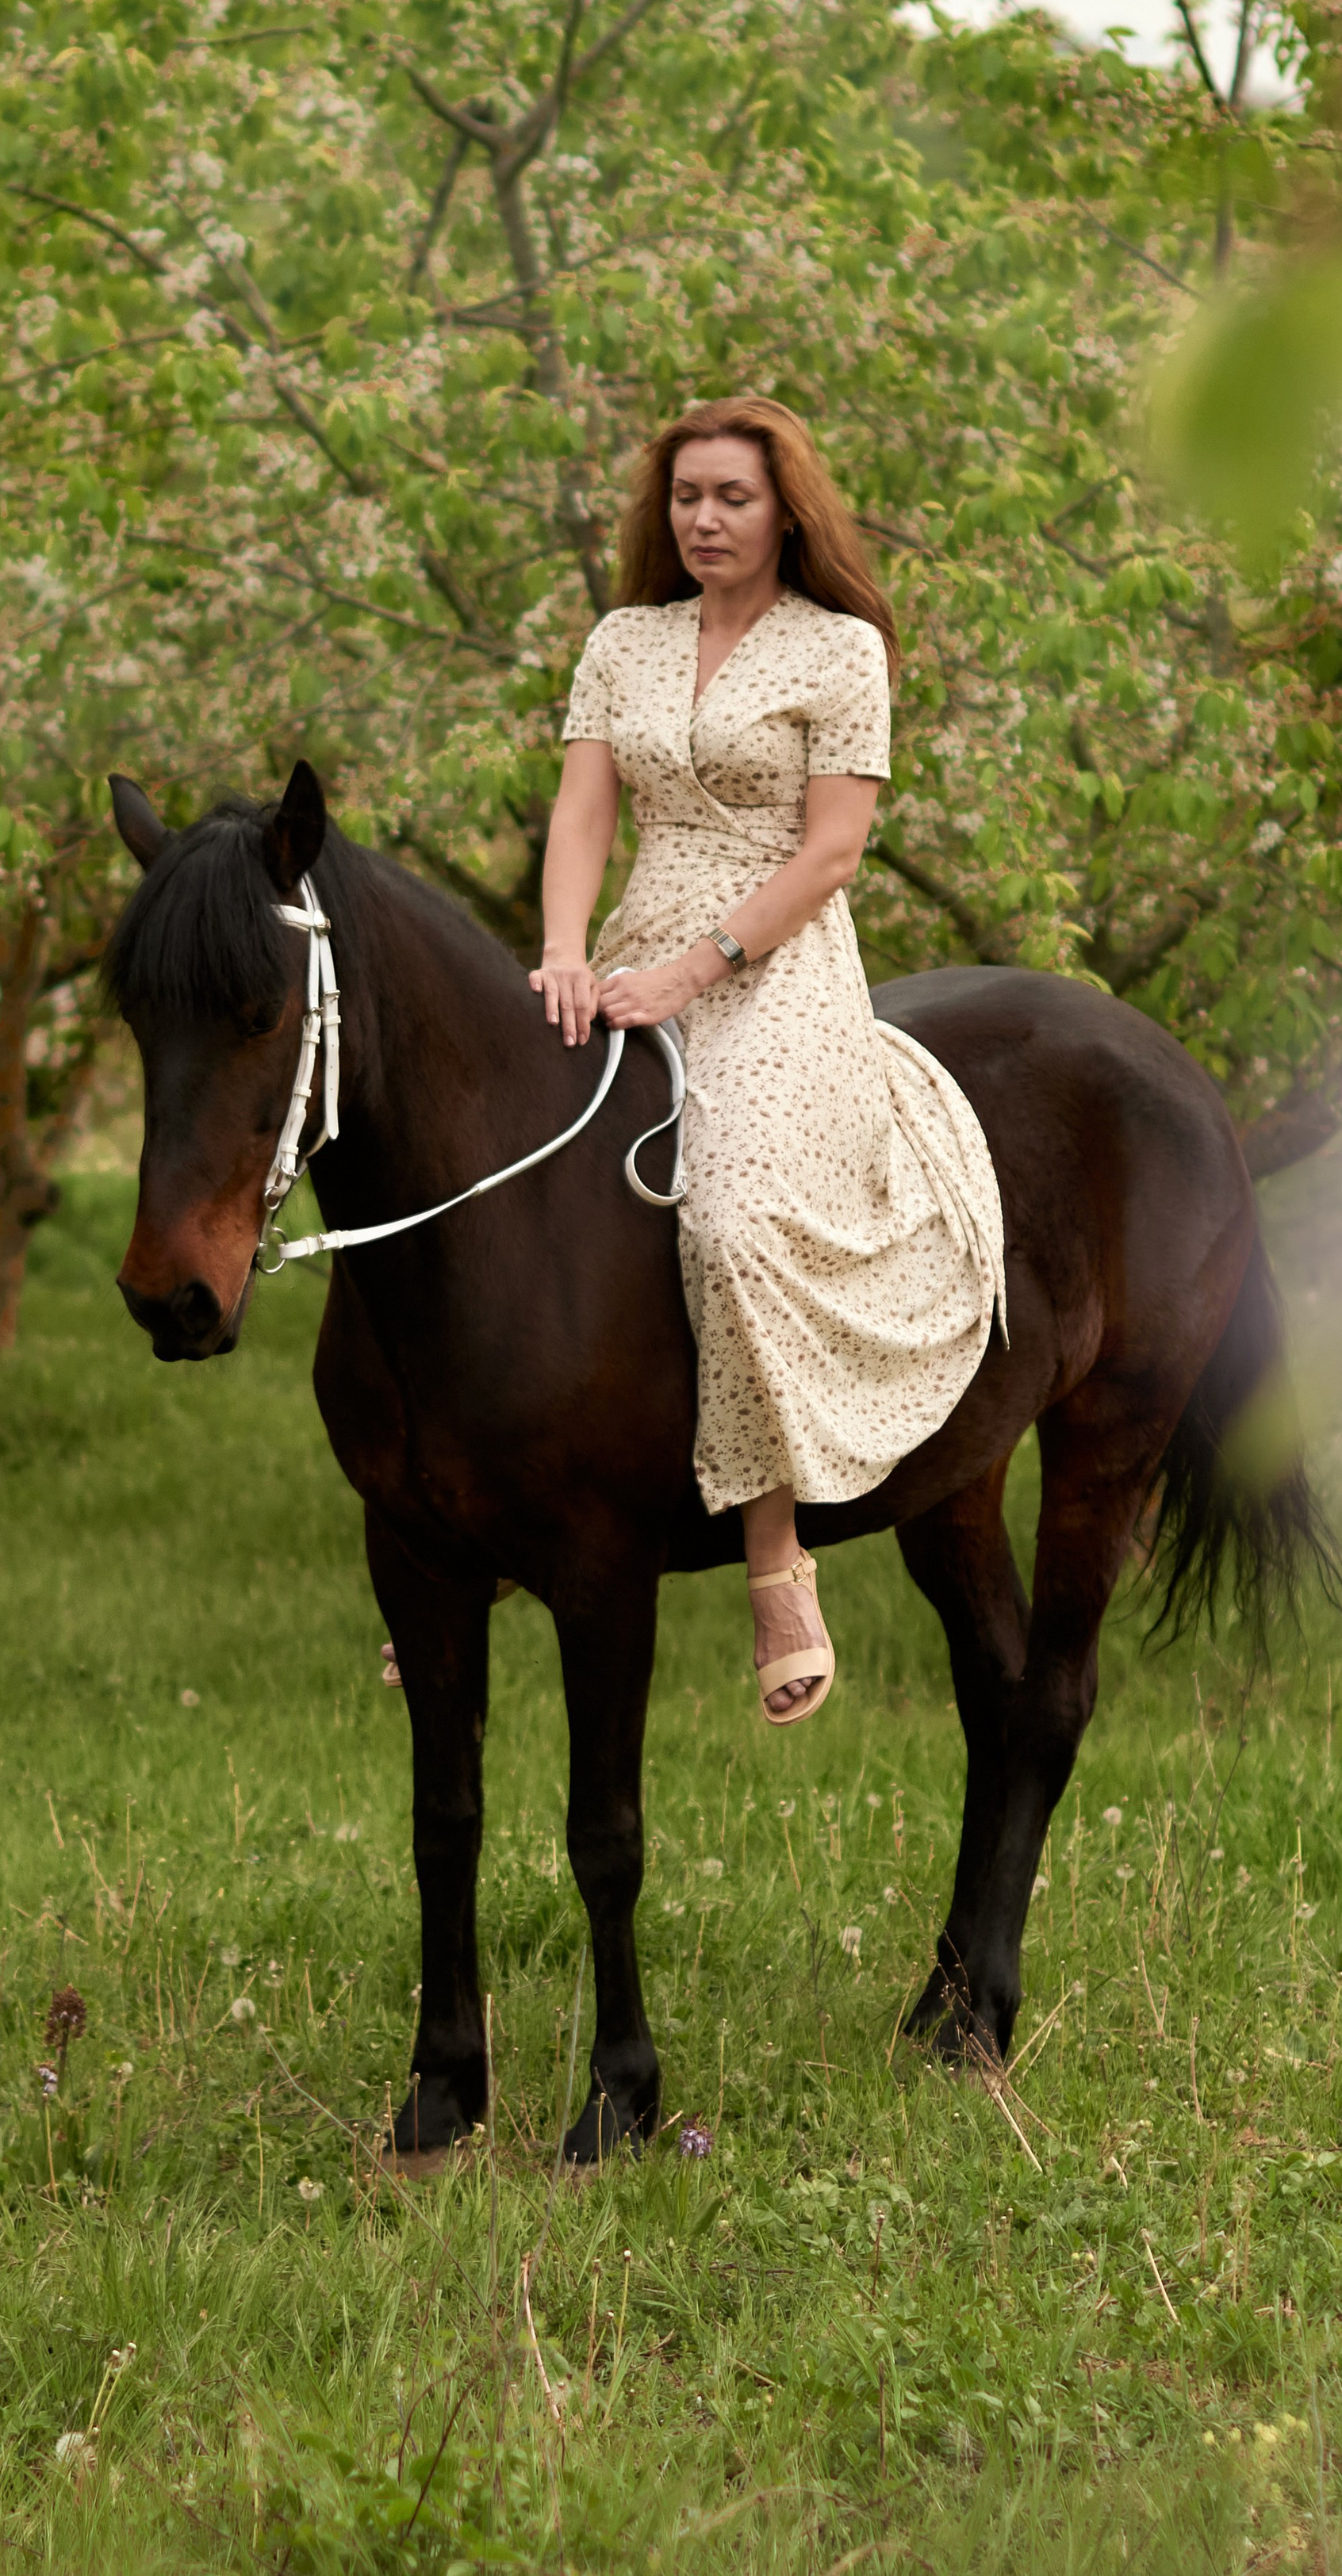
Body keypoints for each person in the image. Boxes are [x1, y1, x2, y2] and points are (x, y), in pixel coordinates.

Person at [532, 395, 1003, 1725]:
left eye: (731, 496)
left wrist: (696, 972)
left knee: (729, 1220)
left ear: (786, 508)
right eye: (686, 497)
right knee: (526, 1192)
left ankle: (773, 1552)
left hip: (775, 956)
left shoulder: (840, 650)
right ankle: (505, 1518)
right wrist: (567, 947)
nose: (704, 519)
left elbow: (830, 854)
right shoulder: (624, 641)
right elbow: (583, 806)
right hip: (635, 934)